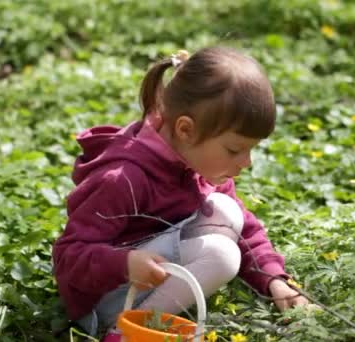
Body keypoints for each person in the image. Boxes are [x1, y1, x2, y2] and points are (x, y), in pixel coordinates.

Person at [52, 46, 309, 341]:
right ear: (186, 129)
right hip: (106, 298)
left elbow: (245, 228)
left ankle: (146, 316)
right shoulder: (123, 178)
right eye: (235, 149)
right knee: (223, 255)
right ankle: (124, 333)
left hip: (151, 271)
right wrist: (123, 264)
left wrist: (273, 279)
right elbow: (68, 257)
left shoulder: (198, 161)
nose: (247, 162)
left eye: (251, 149)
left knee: (226, 210)